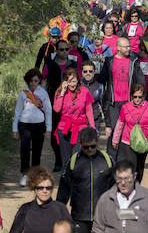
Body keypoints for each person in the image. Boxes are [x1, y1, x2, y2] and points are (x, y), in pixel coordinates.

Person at [56, 127, 114, 233]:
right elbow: (63, 188)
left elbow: (116, 187)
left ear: (97, 142)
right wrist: (59, 211)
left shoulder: (107, 160)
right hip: (79, 216)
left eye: (93, 146)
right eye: (86, 147)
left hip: (102, 216)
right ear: (80, 144)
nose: (89, 150)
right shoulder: (73, 162)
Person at [96, 37, 145, 159]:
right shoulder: (109, 61)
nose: (128, 48)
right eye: (125, 46)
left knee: (127, 130)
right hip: (113, 102)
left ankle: (126, 158)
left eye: (129, 46)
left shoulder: (134, 61)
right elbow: (102, 79)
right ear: (118, 48)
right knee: (113, 130)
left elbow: (140, 81)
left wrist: (139, 99)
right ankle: (111, 159)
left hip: (128, 102)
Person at [111, 84, 148, 183]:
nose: (137, 99)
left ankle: (137, 187)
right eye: (135, 97)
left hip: (144, 141)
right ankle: (130, 188)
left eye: (140, 97)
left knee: (140, 167)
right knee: (131, 165)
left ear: (144, 96)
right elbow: (120, 124)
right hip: (128, 141)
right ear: (131, 96)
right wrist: (115, 139)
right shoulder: (125, 107)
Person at [14, 69, 52, 186]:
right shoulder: (23, 94)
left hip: (39, 126)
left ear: (39, 81)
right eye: (31, 81)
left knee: (37, 150)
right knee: (24, 149)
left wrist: (48, 129)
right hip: (24, 125)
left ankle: (34, 175)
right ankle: (25, 174)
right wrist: (14, 128)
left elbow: (48, 111)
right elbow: (17, 112)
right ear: (27, 81)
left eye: (36, 81)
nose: (33, 83)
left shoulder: (43, 93)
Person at [43, 40, 78, 171]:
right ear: (56, 51)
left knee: (70, 132)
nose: (64, 52)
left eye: (66, 49)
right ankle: (58, 159)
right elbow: (44, 82)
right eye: (62, 49)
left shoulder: (73, 64)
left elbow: (79, 81)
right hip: (54, 102)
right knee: (54, 133)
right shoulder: (50, 65)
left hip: (71, 103)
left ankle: (68, 160)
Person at [53, 66, 96, 168]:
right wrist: (62, 92)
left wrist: (93, 128)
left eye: (74, 81)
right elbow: (57, 109)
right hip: (64, 128)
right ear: (65, 81)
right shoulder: (60, 91)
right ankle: (66, 181)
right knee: (66, 160)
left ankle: (79, 181)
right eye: (69, 81)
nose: (72, 84)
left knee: (79, 157)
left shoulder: (84, 91)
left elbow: (89, 111)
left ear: (78, 80)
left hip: (80, 128)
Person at [79, 61, 105, 128]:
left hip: (95, 120)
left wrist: (107, 123)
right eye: (85, 71)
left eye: (90, 71)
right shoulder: (77, 85)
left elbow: (103, 104)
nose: (88, 73)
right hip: (80, 121)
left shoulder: (99, 86)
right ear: (82, 73)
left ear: (94, 73)